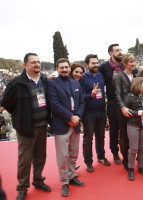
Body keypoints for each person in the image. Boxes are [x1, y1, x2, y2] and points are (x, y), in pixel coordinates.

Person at [1, 53, 51, 200]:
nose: (37, 65)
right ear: (25, 65)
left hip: (43, 126)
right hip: (26, 128)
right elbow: (5, 103)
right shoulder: (16, 82)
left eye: (38, 62)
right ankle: (22, 187)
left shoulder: (44, 79)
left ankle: (38, 180)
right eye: (33, 62)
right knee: (25, 159)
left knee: (40, 156)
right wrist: (19, 116)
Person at [48, 58, 85, 197]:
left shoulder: (75, 83)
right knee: (63, 156)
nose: (64, 69)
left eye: (66, 67)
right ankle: (64, 182)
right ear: (57, 68)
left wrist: (77, 117)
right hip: (62, 124)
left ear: (69, 68)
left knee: (73, 153)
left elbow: (82, 102)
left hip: (75, 124)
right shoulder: (51, 83)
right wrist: (70, 117)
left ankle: (71, 176)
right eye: (61, 67)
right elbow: (54, 104)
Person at [80, 54, 110, 173]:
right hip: (88, 113)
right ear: (87, 65)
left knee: (101, 136)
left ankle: (101, 157)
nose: (96, 65)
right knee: (88, 139)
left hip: (102, 111)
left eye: (97, 63)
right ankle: (88, 162)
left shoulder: (100, 75)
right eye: (93, 63)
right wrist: (91, 95)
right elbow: (81, 97)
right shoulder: (82, 78)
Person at [99, 44, 124, 165]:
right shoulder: (103, 67)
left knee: (125, 129)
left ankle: (125, 151)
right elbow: (94, 77)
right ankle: (115, 152)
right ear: (110, 53)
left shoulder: (125, 64)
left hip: (125, 102)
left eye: (120, 50)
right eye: (117, 50)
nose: (120, 52)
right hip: (112, 103)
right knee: (114, 130)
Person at [124, 77, 143, 181]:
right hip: (133, 125)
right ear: (138, 85)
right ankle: (131, 168)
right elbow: (125, 111)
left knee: (142, 147)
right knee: (134, 148)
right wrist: (136, 113)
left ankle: (141, 166)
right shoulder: (130, 96)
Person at [113, 53, 137, 170]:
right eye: (130, 62)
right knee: (123, 135)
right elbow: (116, 94)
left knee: (134, 134)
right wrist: (123, 107)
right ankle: (125, 159)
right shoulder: (118, 76)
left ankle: (134, 157)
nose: (133, 64)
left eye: (134, 61)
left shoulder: (135, 75)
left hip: (135, 109)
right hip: (122, 110)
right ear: (125, 63)